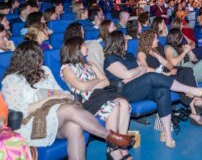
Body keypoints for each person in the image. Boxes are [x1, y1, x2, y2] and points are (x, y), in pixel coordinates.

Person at [1, 41, 133, 160]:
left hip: (54, 117)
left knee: (74, 127)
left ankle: (111, 139)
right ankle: (109, 136)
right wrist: (50, 99)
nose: (40, 62)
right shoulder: (12, 80)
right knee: (68, 110)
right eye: (36, 58)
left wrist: (62, 96)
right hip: (31, 122)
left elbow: (60, 91)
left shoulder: (44, 71)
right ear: (25, 60)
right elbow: (18, 110)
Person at [103, 30, 202, 148]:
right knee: (151, 76)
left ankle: (167, 134)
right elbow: (129, 74)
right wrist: (138, 70)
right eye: (124, 41)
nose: (127, 43)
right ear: (117, 43)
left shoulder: (129, 55)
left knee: (163, 90)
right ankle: (190, 90)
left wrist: (136, 72)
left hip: (137, 87)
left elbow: (137, 72)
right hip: (123, 92)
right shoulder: (110, 59)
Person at [60, 37, 132, 160]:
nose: (86, 48)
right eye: (84, 45)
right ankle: (112, 149)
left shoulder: (90, 64)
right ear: (76, 49)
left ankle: (122, 146)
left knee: (124, 104)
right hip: (86, 100)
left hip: (101, 94)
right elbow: (81, 87)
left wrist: (90, 84)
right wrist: (95, 81)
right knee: (113, 107)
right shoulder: (66, 68)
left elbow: (106, 81)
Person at [137, 30, 202, 126]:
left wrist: (169, 67)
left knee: (187, 70)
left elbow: (168, 65)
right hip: (156, 77)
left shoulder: (156, 50)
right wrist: (165, 73)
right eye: (155, 38)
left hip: (166, 73)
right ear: (149, 40)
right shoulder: (141, 53)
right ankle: (196, 107)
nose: (158, 40)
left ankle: (196, 103)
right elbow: (146, 69)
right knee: (179, 79)